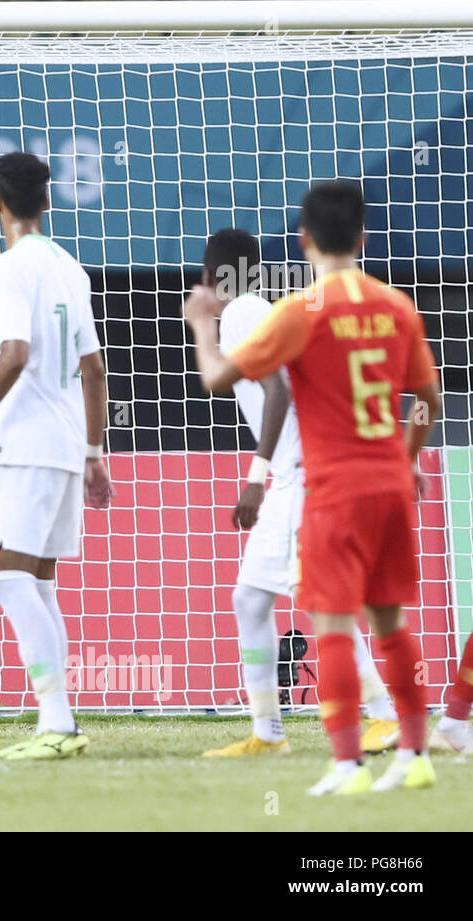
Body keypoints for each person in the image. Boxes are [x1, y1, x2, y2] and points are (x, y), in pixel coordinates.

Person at [183, 180, 440, 795]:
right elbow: (427, 402)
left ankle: (352, 741)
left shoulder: (263, 309)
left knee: (322, 610)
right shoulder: (395, 305)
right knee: (369, 615)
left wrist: (201, 325)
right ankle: (397, 743)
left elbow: (256, 386)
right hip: (373, 475)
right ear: (364, 237)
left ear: (304, 240)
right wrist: (407, 458)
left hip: (313, 479)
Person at [196, 228, 400, 758]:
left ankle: (383, 715)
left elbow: (278, 390)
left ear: (213, 276)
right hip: (293, 473)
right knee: (251, 599)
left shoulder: (240, 311)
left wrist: (256, 477)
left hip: (293, 478)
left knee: (320, 602)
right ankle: (268, 733)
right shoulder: (258, 308)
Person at [0, 152, 114, 761]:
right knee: (41, 583)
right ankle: (61, 720)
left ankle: (58, 721)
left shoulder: (10, 265)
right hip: (69, 444)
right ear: (47, 202)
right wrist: (96, 451)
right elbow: (94, 369)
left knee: (11, 579)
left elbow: (15, 354)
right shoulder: (71, 267)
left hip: (23, 445)